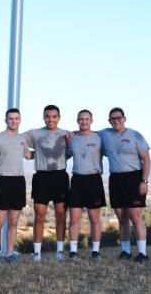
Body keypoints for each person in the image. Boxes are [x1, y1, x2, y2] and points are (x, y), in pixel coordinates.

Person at [99, 107, 151, 263]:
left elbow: (147, 160)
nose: (116, 121)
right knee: (121, 217)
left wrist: (144, 181)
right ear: (109, 121)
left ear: (124, 118)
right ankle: (126, 252)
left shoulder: (135, 135)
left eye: (119, 118)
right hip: (115, 178)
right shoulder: (105, 134)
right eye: (113, 119)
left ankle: (142, 253)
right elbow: (86, 133)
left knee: (135, 216)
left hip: (134, 178)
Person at [22, 105, 69, 261]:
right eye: (48, 116)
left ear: (59, 117)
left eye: (54, 116)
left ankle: (60, 252)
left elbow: (70, 152)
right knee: (39, 215)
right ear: (44, 117)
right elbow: (16, 139)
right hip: (41, 178)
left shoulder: (66, 134)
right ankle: (37, 253)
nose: (51, 119)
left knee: (61, 215)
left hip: (60, 177)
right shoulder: (35, 133)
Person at [0, 108, 32, 264]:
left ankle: (10, 253)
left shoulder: (22, 139)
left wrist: (47, 149)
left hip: (18, 182)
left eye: (17, 118)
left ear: (20, 120)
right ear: (6, 120)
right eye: (11, 118)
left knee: (13, 221)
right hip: (2, 181)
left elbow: (28, 155)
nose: (14, 121)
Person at [66, 109, 106, 260]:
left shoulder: (99, 138)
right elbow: (66, 154)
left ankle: (95, 252)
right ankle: (73, 252)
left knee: (94, 218)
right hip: (77, 180)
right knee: (74, 218)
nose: (84, 122)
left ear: (91, 121)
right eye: (81, 119)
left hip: (94, 180)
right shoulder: (72, 138)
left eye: (87, 119)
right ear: (77, 121)